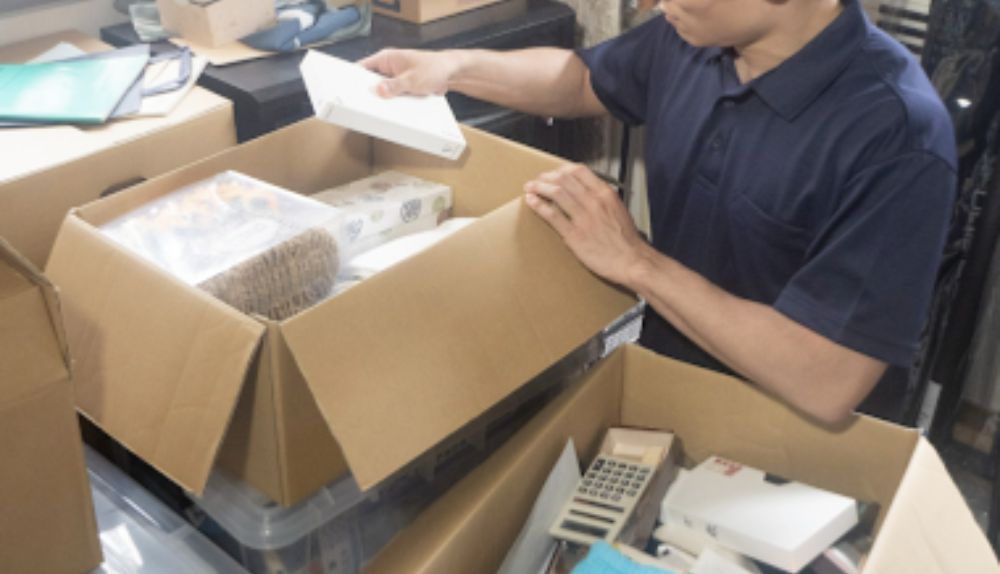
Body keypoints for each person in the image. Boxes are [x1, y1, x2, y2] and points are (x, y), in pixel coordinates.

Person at [361, 0, 957, 425]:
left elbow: (827, 380)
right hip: (665, 386)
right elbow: (580, 80)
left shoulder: (899, 136)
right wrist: (453, 68)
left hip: (794, 452)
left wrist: (636, 262)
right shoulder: (695, 36)